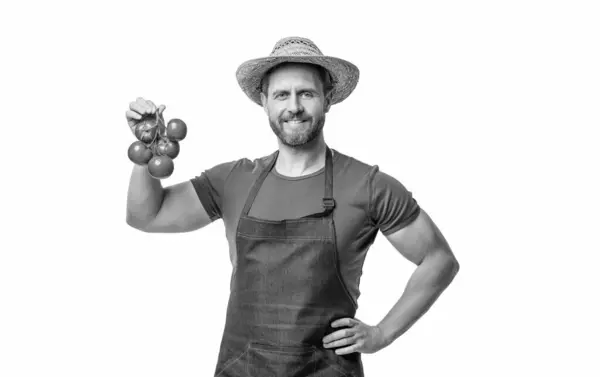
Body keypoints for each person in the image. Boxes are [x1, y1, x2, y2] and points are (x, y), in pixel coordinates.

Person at [125, 36, 460, 377]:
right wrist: (145, 150)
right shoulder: (233, 180)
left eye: (307, 93)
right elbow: (146, 215)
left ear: (328, 99)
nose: (294, 106)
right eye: (282, 94)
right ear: (264, 101)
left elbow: (439, 260)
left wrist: (382, 334)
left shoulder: (369, 185)